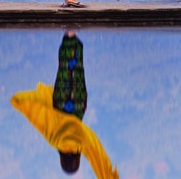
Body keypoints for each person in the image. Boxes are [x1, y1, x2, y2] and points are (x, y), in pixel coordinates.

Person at [10, 32, 119, 179]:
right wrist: (19, 102)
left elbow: (99, 157)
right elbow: (38, 117)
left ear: (77, 159)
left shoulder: (82, 143)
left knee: (77, 69)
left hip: (79, 103)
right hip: (60, 101)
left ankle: (73, 36)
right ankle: (69, 35)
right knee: (65, 69)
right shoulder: (53, 139)